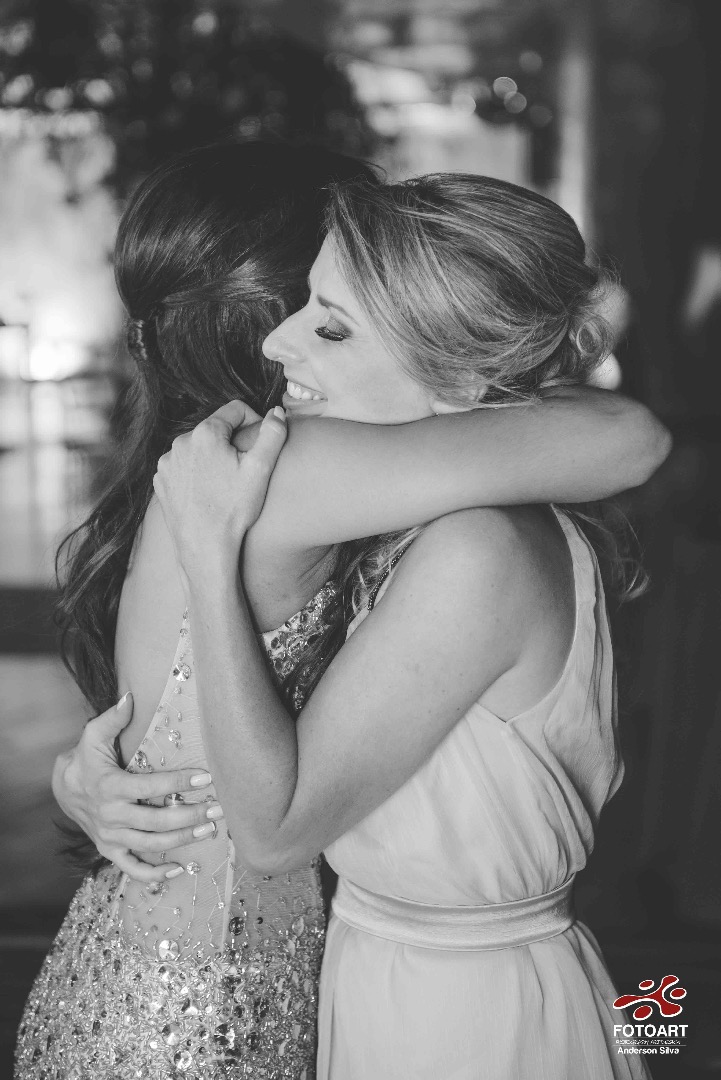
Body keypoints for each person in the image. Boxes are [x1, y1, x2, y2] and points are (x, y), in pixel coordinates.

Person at [21, 147, 668, 1080]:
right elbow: (630, 436)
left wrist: (80, 775)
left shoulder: (226, 466)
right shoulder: (282, 469)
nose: (286, 342)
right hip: (207, 1002)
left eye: (331, 319)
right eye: (305, 304)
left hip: (202, 968)